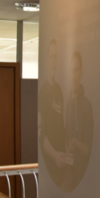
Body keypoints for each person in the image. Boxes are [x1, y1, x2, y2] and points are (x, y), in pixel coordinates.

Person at [39, 39, 68, 187]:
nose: (53, 62)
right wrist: (54, 155)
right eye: (51, 57)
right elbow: (41, 133)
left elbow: (61, 125)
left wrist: (66, 151)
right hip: (49, 166)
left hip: (62, 163)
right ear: (46, 60)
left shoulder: (59, 91)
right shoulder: (42, 93)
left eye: (55, 57)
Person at [64, 51, 94, 191]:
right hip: (68, 173)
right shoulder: (68, 102)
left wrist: (76, 143)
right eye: (71, 71)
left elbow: (88, 149)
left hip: (83, 177)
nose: (74, 76)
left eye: (76, 70)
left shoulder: (87, 106)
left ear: (81, 72)